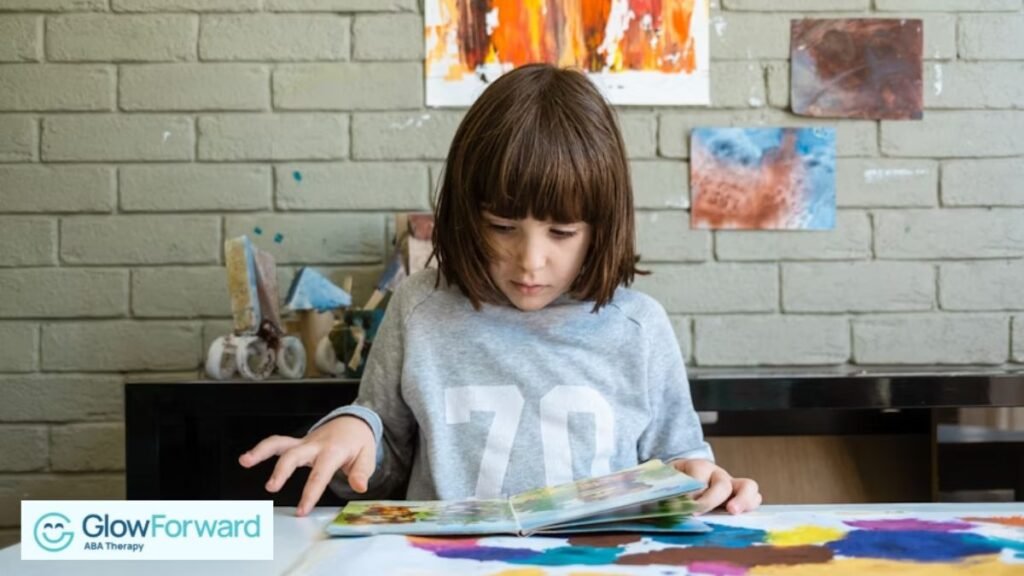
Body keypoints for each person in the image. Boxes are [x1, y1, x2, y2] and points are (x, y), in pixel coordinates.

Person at [240, 63, 761, 517]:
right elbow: (384, 466)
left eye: (562, 232)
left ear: (602, 228)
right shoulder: (419, 308)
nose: (530, 260)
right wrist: (354, 432)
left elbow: (679, 463)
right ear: (468, 215)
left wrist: (702, 479)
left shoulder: (639, 326)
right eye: (502, 227)